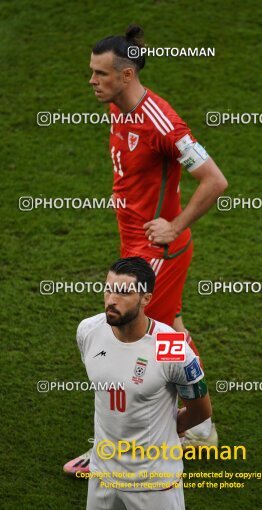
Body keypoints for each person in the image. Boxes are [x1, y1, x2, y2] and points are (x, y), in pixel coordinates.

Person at [64, 24, 227, 475]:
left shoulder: (161, 121)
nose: (92, 81)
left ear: (128, 74)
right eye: (91, 72)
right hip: (136, 243)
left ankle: (115, 446)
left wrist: (173, 225)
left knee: (127, 336)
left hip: (156, 251)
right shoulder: (118, 106)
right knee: (171, 333)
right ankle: (199, 426)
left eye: (100, 74)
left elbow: (215, 181)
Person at [78, 257, 212, 510]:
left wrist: (171, 428)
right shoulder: (89, 330)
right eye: (108, 289)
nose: (111, 299)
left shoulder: (170, 347)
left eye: (124, 292)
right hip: (102, 474)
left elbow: (201, 410)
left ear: (146, 299)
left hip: (154, 482)